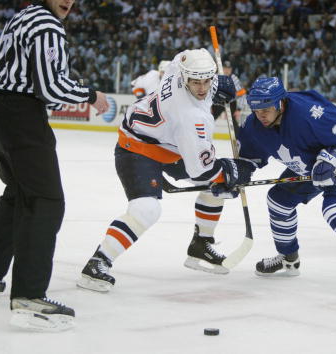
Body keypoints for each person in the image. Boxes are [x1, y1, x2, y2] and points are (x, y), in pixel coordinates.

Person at [0, 0, 109, 331]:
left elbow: (43, 87)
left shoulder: (22, 18)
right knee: (45, 201)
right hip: (21, 117)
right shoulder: (46, 24)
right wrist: (90, 94)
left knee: (18, 193)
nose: (68, 1)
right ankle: (30, 297)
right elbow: (49, 87)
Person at [76, 48, 247, 292]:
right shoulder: (191, 116)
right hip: (137, 147)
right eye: (195, 82)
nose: (201, 88)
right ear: (186, 78)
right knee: (147, 208)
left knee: (215, 188)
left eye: (207, 81)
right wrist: (230, 174)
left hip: (167, 143)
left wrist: (217, 81)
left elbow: (187, 54)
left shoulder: (178, 68)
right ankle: (98, 262)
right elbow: (201, 170)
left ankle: (201, 244)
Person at [214, 77, 336, 302]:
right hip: (311, 165)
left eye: (267, 108)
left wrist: (333, 159)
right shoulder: (254, 127)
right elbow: (249, 160)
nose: (261, 114)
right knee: (279, 200)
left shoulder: (309, 113)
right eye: (257, 108)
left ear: (281, 103)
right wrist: (233, 177)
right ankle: (288, 257)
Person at [211, 60, 248, 136]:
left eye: (229, 68)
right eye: (225, 68)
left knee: (234, 123)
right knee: (210, 119)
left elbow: (242, 93)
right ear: (221, 68)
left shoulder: (234, 78)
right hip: (217, 102)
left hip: (231, 102)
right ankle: (203, 136)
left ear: (231, 69)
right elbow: (209, 93)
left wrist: (239, 109)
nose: (227, 70)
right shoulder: (215, 77)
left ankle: (238, 139)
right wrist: (209, 106)